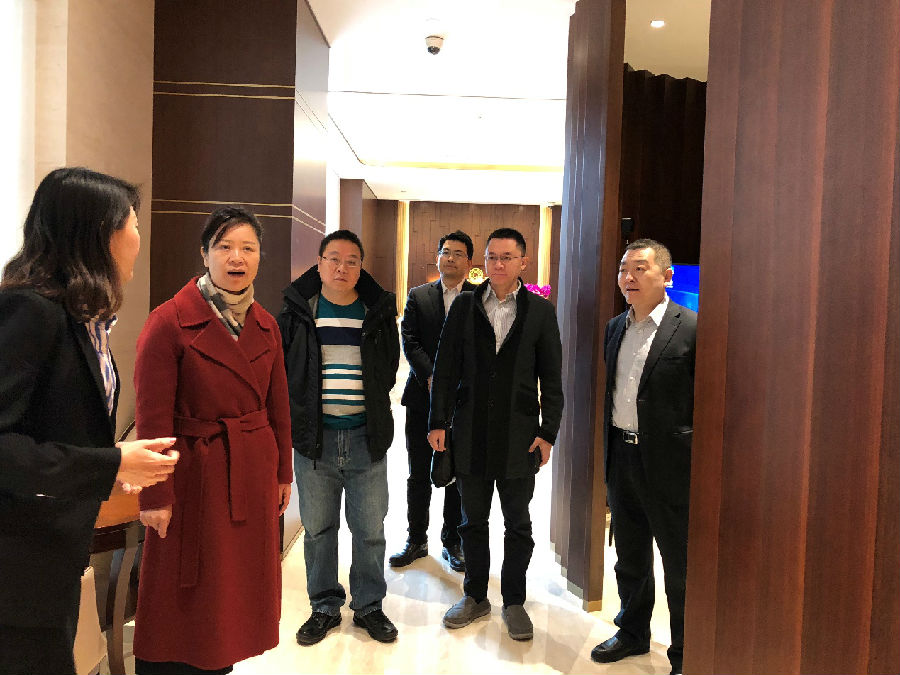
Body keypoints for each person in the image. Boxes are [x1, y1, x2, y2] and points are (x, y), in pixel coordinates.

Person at [0, 167, 179, 675]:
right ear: (102, 234)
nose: (139, 238)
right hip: (15, 566)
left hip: (48, 560)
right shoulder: (29, 311)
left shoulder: (84, 321)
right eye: (134, 225)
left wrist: (114, 465)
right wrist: (109, 464)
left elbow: (54, 429)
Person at [132, 207, 293, 674]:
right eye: (224, 246)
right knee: (184, 598)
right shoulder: (169, 321)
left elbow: (279, 409)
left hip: (251, 472)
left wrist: (282, 473)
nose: (236, 257)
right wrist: (155, 494)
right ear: (204, 254)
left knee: (233, 597)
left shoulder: (266, 325)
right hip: (191, 477)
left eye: (248, 248)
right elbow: (152, 417)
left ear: (260, 257)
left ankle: (222, 663)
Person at [428, 227, 563, 642]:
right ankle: (475, 596)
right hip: (470, 431)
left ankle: (515, 601)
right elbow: (445, 367)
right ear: (482, 262)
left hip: (520, 435)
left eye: (507, 257)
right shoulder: (465, 306)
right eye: (491, 257)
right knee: (472, 521)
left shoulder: (540, 312)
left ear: (523, 262)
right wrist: (437, 421)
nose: (498, 264)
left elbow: (551, 378)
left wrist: (548, 432)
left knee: (518, 523)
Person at [278, 230, 400, 646]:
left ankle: (368, 606)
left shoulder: (376, 310)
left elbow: (388, 367)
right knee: (318, 529)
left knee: (369, 530)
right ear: (319, 263)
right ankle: (324, 606)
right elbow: (286, 370)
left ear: (361, 267)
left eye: (351, 261)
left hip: (367, 437)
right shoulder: (299, 310)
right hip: (316, 440)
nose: (342, 267)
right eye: (333, 258)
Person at [590, 238, 696, 675]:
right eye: (623, 269)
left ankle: (685, 653)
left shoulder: (690, 327)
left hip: (671, 464)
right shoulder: (616, 327)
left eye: (639, 268)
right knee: (630, 555)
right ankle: (632, 632)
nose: (628, 277)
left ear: (666, 276)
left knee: (678, 563)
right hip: (622, 455)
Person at [390, 230, 475, 573]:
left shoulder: (478, 297)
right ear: (438, 257)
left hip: (462, 402)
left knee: (457, 474)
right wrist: (432, 376)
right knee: (418, 472)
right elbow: (409, 340)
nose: (450, 258)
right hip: (421, 398)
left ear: (469, 262)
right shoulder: (418, 295)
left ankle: (452, 541)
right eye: (445, 251)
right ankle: (416, 539)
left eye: (458, 253)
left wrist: (455, 382)